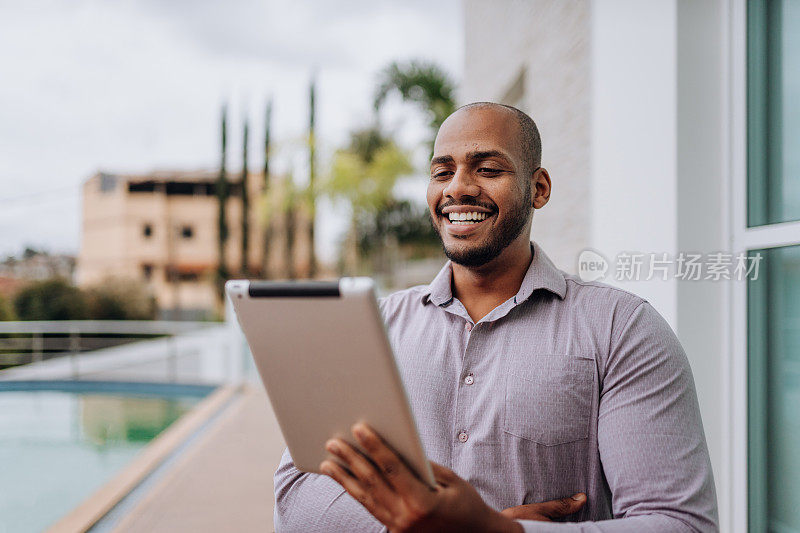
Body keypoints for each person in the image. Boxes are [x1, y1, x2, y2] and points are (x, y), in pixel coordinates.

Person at [274, 103, 719, 532]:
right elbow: (297, 495)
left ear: (539, 188)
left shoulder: (623, 329)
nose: (458, 188)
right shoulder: (372, 329)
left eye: (488, 169)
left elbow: (680, 524)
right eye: (442, 171)